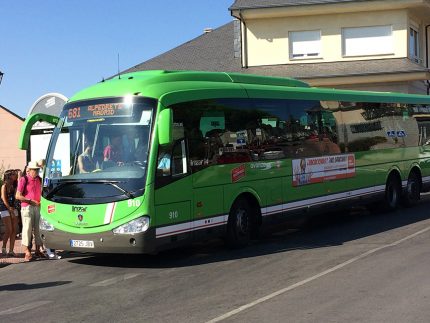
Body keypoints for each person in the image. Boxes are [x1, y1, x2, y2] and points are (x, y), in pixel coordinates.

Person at [15, 161, 43, 261]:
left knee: (38, 229)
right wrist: (30, 201)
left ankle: (38, 250)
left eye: (38, 169)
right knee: (27, 229)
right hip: (27, 207)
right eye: (35, 169)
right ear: (29, 170)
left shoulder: (40, 179)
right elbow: (18, 195)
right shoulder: (24, 179)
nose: (36, 171)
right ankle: (27, 252)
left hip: (38, 207)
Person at [0, 170, 18, 257]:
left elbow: (15, 197)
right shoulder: (4, 186)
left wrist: (13, 209)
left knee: (14, 230)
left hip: (13, 207)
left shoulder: (15, 184)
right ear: (9, 176)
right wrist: (9, 209)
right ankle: (3, 248)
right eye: (13, 174)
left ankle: (11, 250)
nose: (15, 175)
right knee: (9, 229)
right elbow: (3, 199)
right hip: (4, 208)